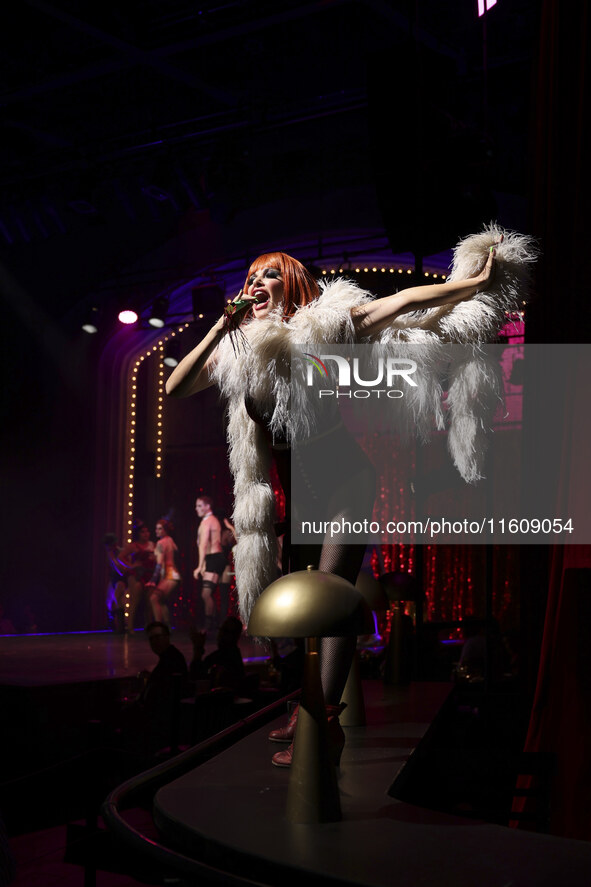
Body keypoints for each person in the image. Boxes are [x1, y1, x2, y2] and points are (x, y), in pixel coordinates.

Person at [165, 227, 535, 766]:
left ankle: (322, 720)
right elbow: (177, 387)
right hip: (302, 501)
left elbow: (405, 301)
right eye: (250, 276)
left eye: (269, 273)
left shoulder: (326, 328)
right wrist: (221, 327)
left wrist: (473, 282)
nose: (255, 282)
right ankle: (307, 699)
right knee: (303, 613)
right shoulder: (239, 352)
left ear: (290, 285)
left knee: (332, 602)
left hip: (346, 486)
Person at [189, 616, 247, 693]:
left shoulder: (221, 658)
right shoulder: (234, 656)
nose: (219, 633)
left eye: (223, 630)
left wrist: (198, 648)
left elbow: (196, 677)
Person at [194, 496, 224, 634]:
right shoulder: (209, 520)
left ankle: (209, 626)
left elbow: (204, 544)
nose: (196, 509)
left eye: (200, 506)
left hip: (213, 558)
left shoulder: (208, 522)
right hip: (212, 558)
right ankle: (213, 624)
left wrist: (200, 565)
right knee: (207, 594)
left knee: (206, 594)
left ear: (207, 507)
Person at [119, 521, 156, 632]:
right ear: (138, 534)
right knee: (135, 600)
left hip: (149, 573)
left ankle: (148, 626)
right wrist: (131, 566)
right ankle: (130, 627)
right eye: (142, 532)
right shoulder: (133, 546)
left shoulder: (152, 545)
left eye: (147, 531)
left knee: (149, 602)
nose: (146, 534)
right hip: (136, 574)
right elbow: (120, 557)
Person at [147, 518, 181, 627]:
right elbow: (175, 552)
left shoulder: (160, 543)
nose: (157, 531)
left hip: (169, 575)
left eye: (160, 529)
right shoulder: (170, 540)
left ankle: (159, 627)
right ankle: (166, 626)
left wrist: (153, 580)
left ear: (165, 530)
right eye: (156, 529)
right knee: (161, 601)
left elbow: (159, 564)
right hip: (174, 575)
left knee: (154, 598)